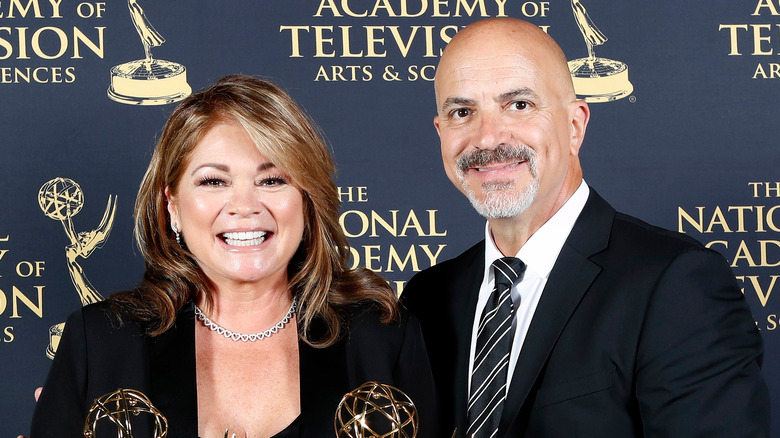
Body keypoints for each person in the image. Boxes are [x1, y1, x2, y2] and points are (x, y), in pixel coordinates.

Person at [400, 18, 770, 438]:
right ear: (440, 132)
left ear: (575, 125)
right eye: (462, 112)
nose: (487, 138)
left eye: (518, 104)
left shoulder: (674, 284)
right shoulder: (427, 298)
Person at [31, 75, 437, 438]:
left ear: (306, 199)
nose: (245, 205)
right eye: (213, 181)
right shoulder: (100, 342)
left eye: (272, 179)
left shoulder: (385, 338)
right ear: (171, 205)